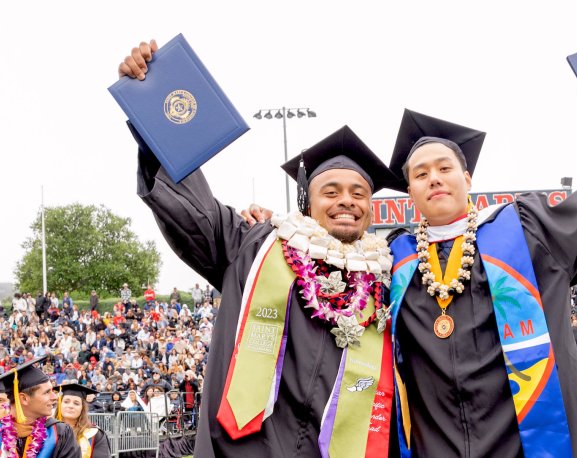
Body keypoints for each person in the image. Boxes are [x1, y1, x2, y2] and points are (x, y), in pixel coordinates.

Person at [383, 61, 577, 457]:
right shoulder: (393, 263)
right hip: (435, 445)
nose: (433, 178)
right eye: (420, 173)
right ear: (408, 190)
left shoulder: (523, 231)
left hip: (523, 443)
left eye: (445, 167)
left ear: (467, 179)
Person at [118, 38, 400, 458]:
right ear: (306, 202)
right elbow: (195, 217)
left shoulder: (392, 275)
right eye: (332, 190)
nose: (347, 201)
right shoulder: (257, 243)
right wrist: (155, 106)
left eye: (359, 192)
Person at [0, 358, 80, 457]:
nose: (55, 397)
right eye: (47, 392)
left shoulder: (60, 433)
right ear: (24, 399)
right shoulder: (1, 431)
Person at [56, 383, 111, 457]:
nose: (70, 406)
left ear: (82, 408)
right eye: (66, 402)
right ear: (60, 404)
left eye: (76, 403)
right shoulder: (49, 430)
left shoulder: (94, 434)